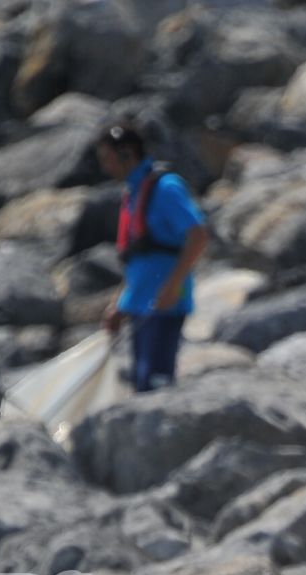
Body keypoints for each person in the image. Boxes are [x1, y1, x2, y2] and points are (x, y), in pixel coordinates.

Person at [96, 119, 210, 393]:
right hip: (139, 305)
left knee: (157, 382)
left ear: (127, 155)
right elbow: (136, 257)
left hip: (164, 303)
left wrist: (172, 286)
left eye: (109, 159)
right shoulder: (133, 193)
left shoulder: (165, 188)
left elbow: (198, 235)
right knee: (141, 381)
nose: (105, 167)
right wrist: (119, 304)